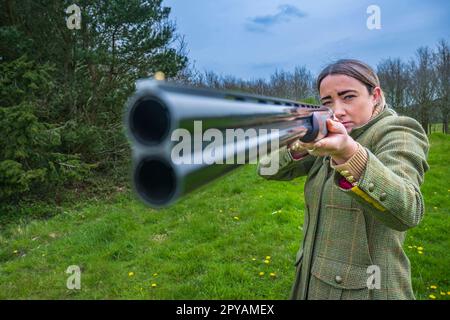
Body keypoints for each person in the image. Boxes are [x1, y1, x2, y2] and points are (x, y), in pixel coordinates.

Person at [257, 59, 429, 300]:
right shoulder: (329, 134)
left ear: (375, 95)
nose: (337, 110)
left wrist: (349, 153)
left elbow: (409, 210)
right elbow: (266, 170)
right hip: (309, 284)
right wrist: (300, 146)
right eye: (327, 101)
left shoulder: (399, 130)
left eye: (348, 97)